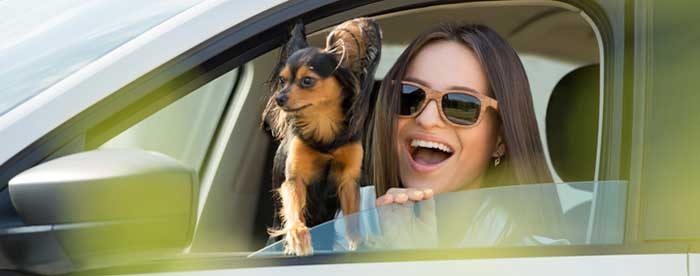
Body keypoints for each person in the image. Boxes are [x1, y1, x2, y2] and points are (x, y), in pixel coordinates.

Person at [364, 23, 553, 207]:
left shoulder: (535, 240)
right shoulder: (344, 225)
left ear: (500, 139)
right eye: (409, 95)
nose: (426, 120)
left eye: (461, 105)